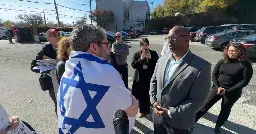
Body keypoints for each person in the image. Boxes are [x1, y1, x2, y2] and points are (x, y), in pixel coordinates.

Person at [57, 24, 138, 134]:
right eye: (106, 44)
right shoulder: (107, 72)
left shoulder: (68, 68)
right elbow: (129, 110)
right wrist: (134, 100)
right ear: (94, 47)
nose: (109, 49)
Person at [149, 26, 211, 134]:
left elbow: (197, 101)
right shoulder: (162, 59)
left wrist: (169, 112)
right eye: (167, 38)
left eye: (172, 38)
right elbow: (153, 81)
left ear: (187, 39)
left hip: (180, 124)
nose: (168, 41)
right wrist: (153, 101)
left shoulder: (202, 67)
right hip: (158, 118)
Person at [195, 43, 253, 133]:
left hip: (232, 92)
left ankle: (218, 125)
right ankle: (193, 121)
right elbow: (214, 74)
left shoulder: (245, 65)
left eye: (233, 51)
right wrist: (218, 87)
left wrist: (228, 90)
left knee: (225, 109)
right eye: (229, 50)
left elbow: (244, 81)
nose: (230, 52)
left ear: (240, 51)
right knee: (205, 105)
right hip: (217, 89)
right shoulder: (222, 61)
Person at [30, 28, 62, 115]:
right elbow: (35, 62)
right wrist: (48, 61)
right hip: (52, 81)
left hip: (65, 79)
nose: (59, 37)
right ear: (48, 39)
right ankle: (60, 123)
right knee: (58, 103)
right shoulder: (47, 47)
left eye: (59, 34)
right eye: (55, 35)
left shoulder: (66, 46)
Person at [131, 38, 159, 118]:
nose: (144, 47)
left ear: (148, 45)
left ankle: (147, 109)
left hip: (150, 77)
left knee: (149, 93)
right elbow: (133, 65)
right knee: (140, 94)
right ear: (140, 46)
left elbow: (157, 64)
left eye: (146, 45)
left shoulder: (153, 53)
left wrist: (151, 58)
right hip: (140, 78)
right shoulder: (137, 54)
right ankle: (141, 109)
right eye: (143, 45)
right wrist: (141, 59)